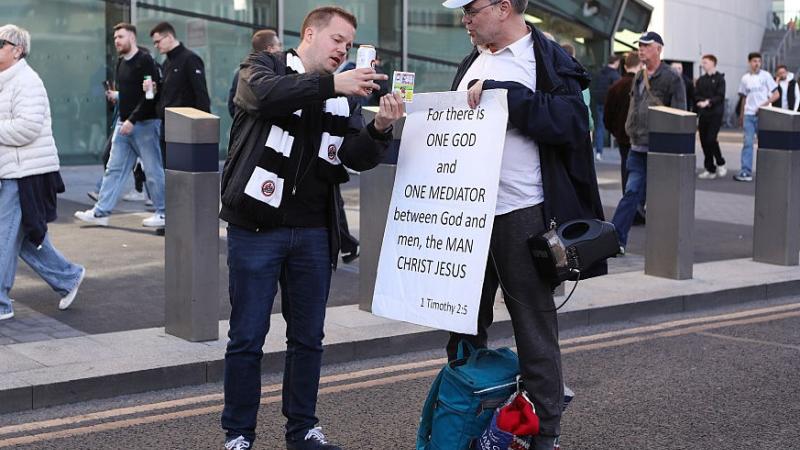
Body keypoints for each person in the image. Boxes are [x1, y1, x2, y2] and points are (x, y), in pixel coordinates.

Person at [219, 6, 404, 450]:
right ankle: (239, 434)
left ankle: (302, 430)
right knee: (247, 336)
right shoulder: (263, 67)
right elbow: (263, 97)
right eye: (337, 40)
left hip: (315, 231)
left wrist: (379, 127)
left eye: (349, 44)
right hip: (257, 228)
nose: (344, 50)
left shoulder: (347, 96)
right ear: (309, 34)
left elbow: (355, 157)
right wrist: (331, 84)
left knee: (308, 339)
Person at [441, 1, 607, 449]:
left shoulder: (550, 61)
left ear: (504, 6)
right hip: (467, 215)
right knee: (462, 324)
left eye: (471, 9)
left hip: (523, 213)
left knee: (533, 328)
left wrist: (507, 97)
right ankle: (460, 422)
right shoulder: (470, 61)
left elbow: (574, 122)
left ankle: (544, 435)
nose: (465, 19)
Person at [0, 24, 86, 321]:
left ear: (17, 49)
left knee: (4, 237)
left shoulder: (27, 81)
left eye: (0, 42)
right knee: (20, 238)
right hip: (11, 171)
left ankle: (1, 303)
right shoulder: (5, 81)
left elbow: (27, 127)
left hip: (26, 174)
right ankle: (68, 276)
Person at [74, 23, 165, 227]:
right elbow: (132, 93)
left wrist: (132, 120)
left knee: (152, 169)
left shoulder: (145, 61)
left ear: (132, 38)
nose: (117, 41)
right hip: (124, 124)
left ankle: (163, 212)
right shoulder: (121, 63)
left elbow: (150, 95)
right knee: (114, 169)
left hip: (145, 125)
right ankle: (101, 212)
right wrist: (117, 97)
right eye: (115, 37)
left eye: (121, 37)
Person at [612, 31, 686, 254]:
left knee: (662, 197)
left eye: (646, 46)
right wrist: (629, 129)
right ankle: (616, 240)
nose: (641, 50)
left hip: (660, 149)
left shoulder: (672, 77)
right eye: (640, 46)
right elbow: (634, 106)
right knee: (631, 193)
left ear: (659, 49)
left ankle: (666, 245)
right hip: (637, 146)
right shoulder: (638, 75)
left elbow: (680, 113)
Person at [145, 21, 211, 164]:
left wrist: (204, 126)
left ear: (169, 37)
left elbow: (201, 93)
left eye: (158, 41)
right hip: (167, 125)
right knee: (169, 171)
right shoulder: (166, 63)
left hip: (186, 126)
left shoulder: (190, 59)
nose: (156, 46)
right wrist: (155, 90)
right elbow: (166, 94)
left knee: (184, 171)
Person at [735, 52, 779, 182]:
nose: (757, 64)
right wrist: (742, 115)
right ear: (749, 62)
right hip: (749, 114)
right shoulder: (745, 78)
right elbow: (743, 97)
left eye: (759, 61)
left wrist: (764, 105)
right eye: (754, 61)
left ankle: (768, 171)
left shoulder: (766, 76)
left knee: (765, 144)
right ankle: (745, 171)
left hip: (763, 114)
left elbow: (776, 94)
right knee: (748, 143)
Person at [604, 52, 641, 191]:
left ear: (625, 66)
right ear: (640, 65)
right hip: (639, 136)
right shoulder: (642, 87)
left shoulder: (615, 87)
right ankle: (637, 203)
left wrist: (615, 131)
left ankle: (627, 197)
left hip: (622, 135)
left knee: (625, 166)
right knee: (640, 170)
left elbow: (607, 116)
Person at [228, 29, 283, 118]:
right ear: (270, 49)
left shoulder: (241, 71)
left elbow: (232, 106)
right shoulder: (272, 73)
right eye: (279, 45)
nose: (281, 49)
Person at [695, 54, 727, 179]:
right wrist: (700, 102)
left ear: (713, 63)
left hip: (715, 113)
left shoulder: (720, 79)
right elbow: (696, 94)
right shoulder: (701, 80)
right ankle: (710, 168)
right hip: (703, 113)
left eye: (705, 62)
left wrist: (708, 102)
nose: (703, 65)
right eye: (702, 63)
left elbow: (720, 96)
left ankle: (720, 162)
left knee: (711, 139)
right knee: (704, 141)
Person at [590, 55, 621, 160]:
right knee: (617, 126)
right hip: (610, 105)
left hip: (599, 103)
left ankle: (599, 152)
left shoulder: (599, 73)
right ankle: (620, 148)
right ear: (616, 62)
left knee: (600, 127)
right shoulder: (615, 76)